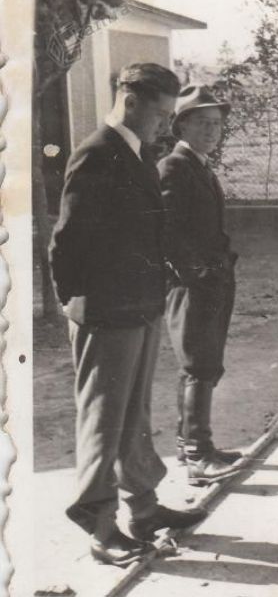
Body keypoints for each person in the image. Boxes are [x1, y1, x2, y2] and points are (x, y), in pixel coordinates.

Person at [49, 63, 208, 567]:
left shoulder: (137, 152)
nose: (166, 125)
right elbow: (65, 241)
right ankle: (100, 530)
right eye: (162, 114)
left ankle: (144, 510)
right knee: (103, 422)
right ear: (131, 101)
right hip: (107, 313)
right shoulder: (96, 153)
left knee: (134, 417)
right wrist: (77, 303)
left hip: (140, 306)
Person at [158, 85, 244, 486]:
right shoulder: (175, 167)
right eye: (203, 123)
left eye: (217, 124)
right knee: (198, 364)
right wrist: (197, 273)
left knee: (203, 362)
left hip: (211, 281)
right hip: (192, 286)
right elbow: (167, 232)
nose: (212, 131)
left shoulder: (199, 165)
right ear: (181, 125)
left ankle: (188, 443)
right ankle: (198, 455)